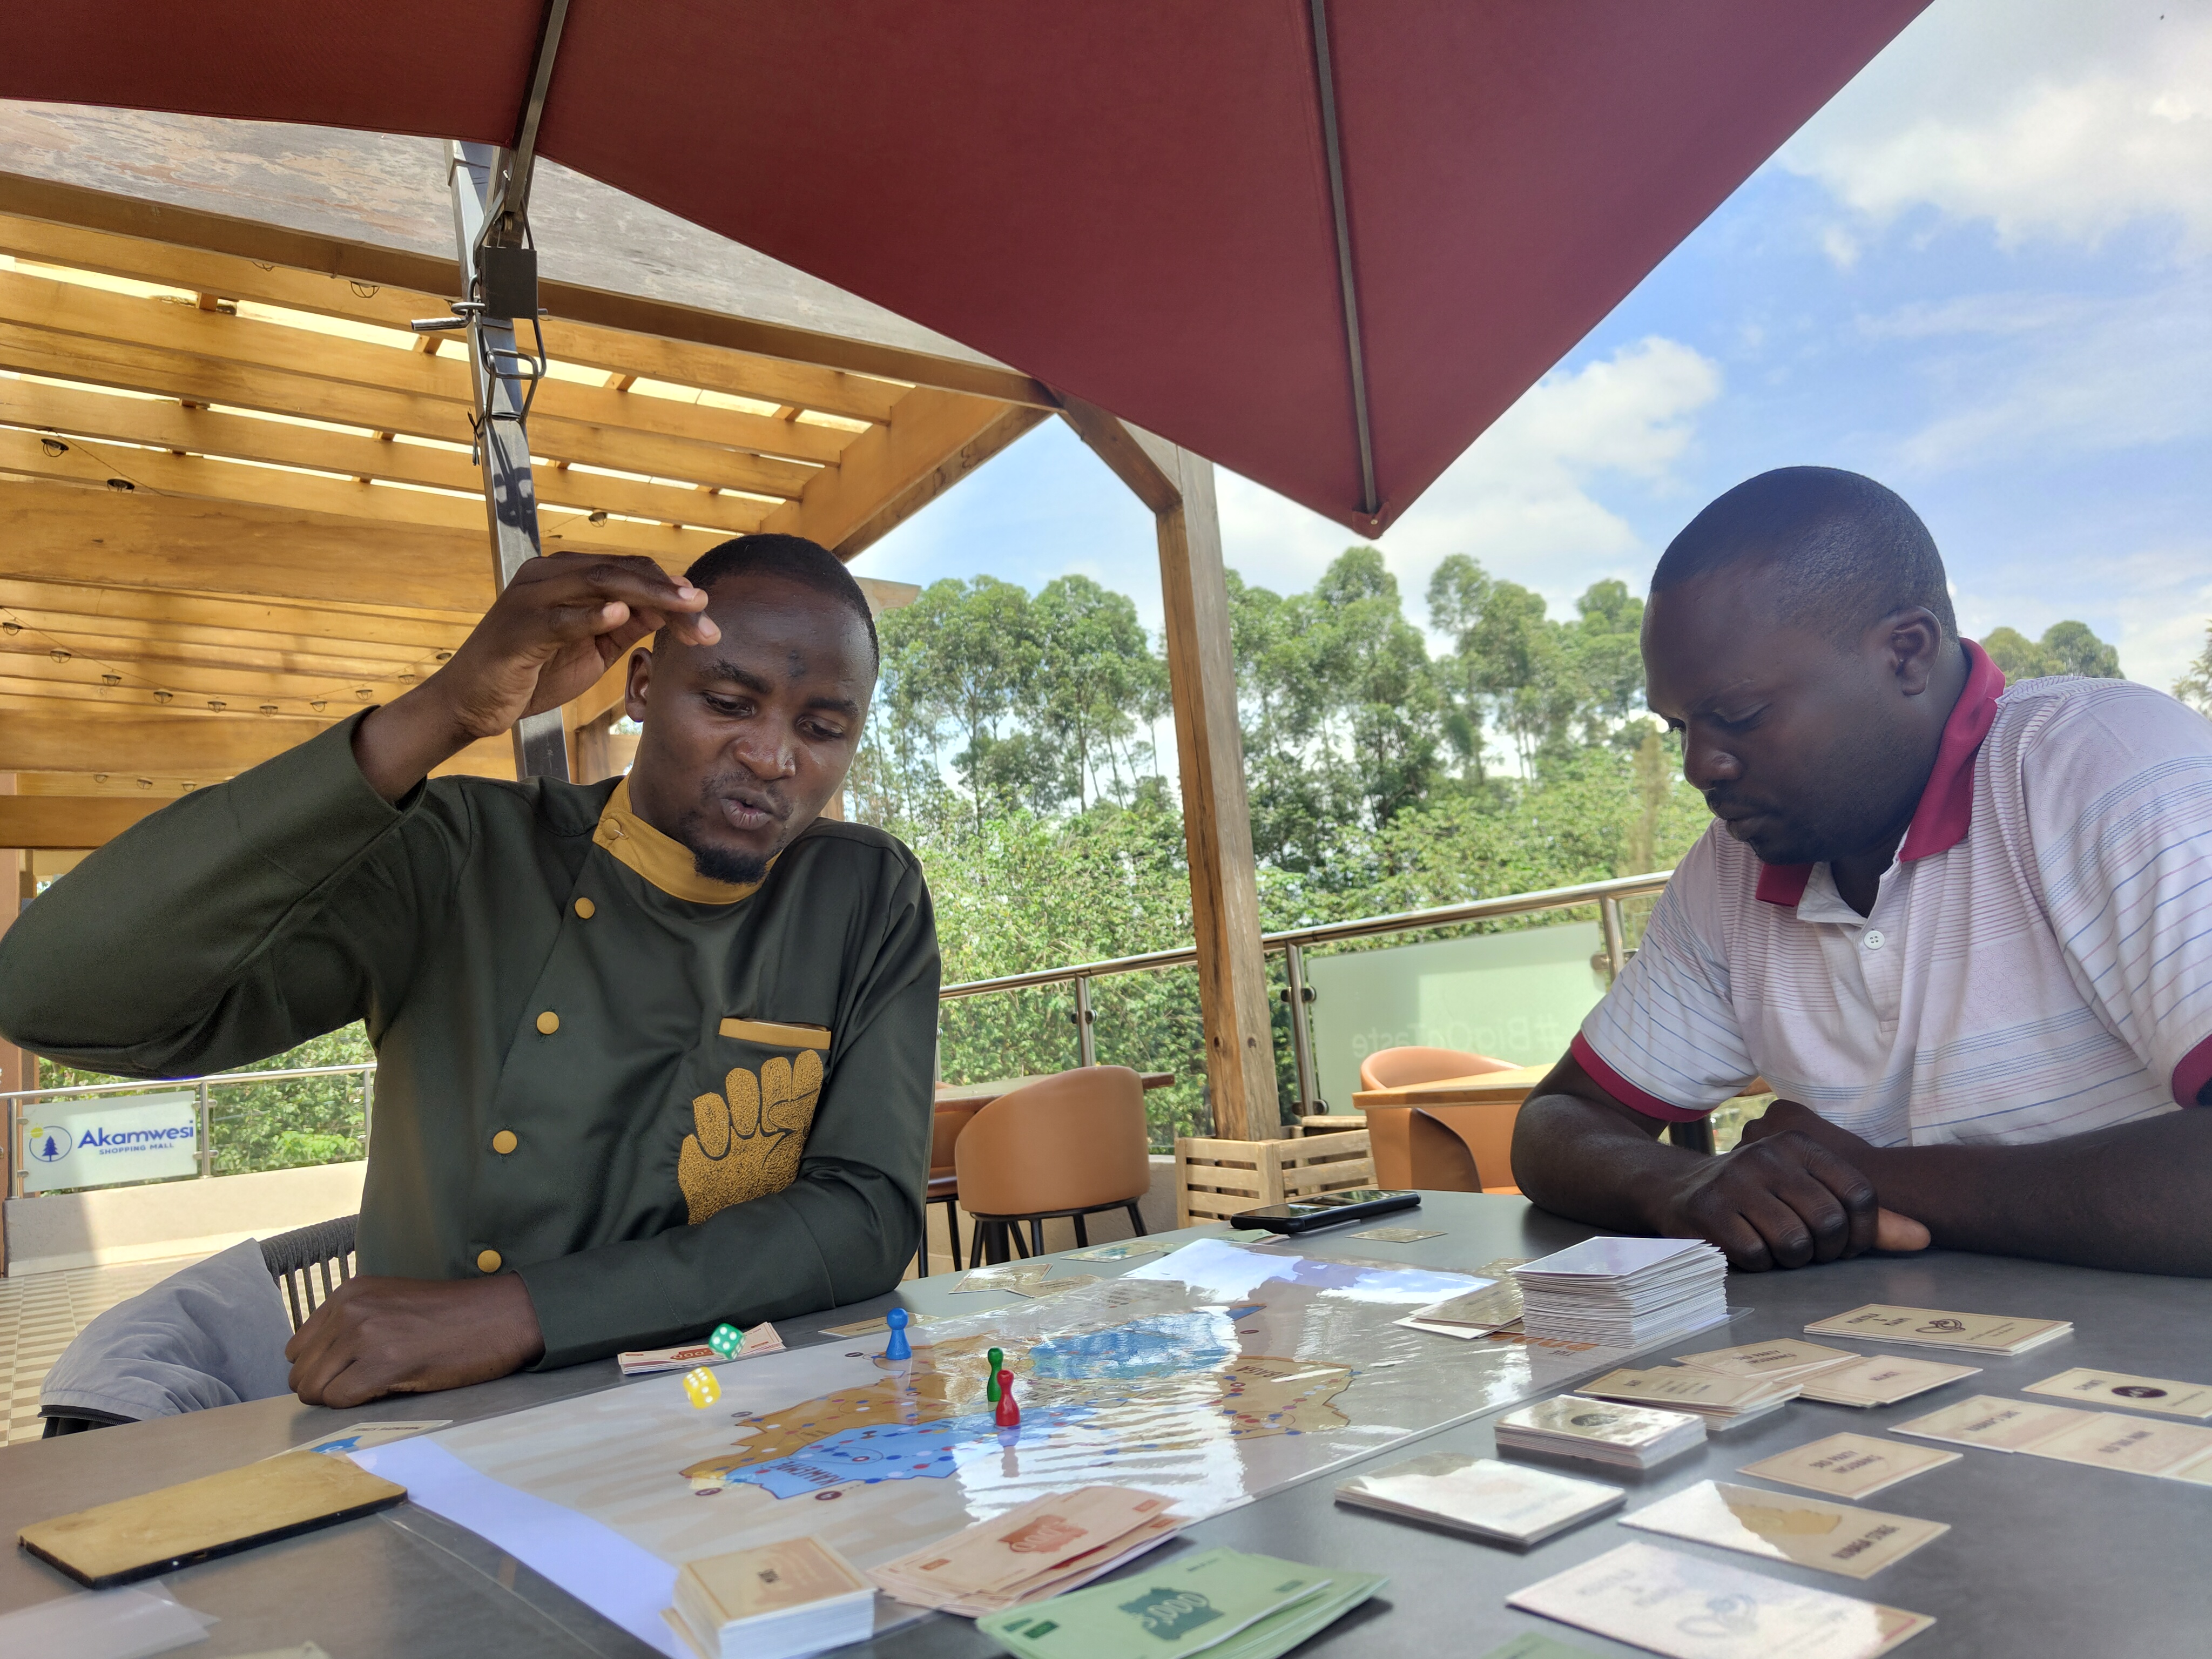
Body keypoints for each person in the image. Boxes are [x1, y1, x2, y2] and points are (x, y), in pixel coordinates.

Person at [0, 535, 939, 1405]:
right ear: (644, 686)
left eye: (822, 728)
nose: (773, 756)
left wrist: (517, 1313)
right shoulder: (462, 858)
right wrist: (445, 710)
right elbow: (51, 994)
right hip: (445, 1438)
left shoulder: (863, 895)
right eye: (728, 704)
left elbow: (863, 1216)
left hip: (741, 1419)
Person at [1512, 468, 2212, 1277]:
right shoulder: (1731, 873)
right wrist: (1687, 1185)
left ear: (1905, 654)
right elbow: (1557, 1121)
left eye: (1738, 718)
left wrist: (1869, 1180)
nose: (1702, 766)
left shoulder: (2107, 766)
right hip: (1891, 1381)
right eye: (1680, 728)